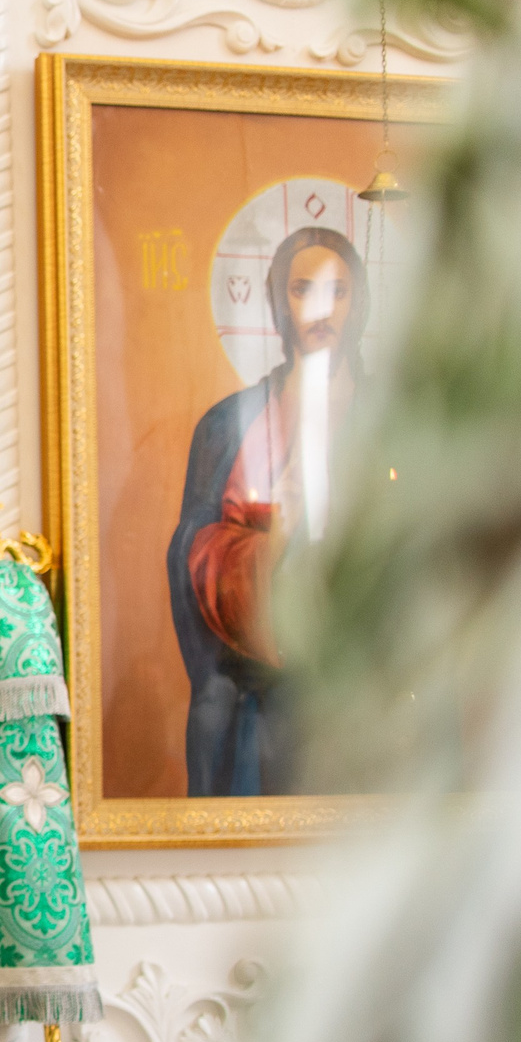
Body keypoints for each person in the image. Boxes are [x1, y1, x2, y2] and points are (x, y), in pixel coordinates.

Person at [167, 224, 369, 796]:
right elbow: (191, 552)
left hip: (363, 695)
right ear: (279, 300)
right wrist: (270, 545)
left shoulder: (394, 422)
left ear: (360, 305)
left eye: (338, 291)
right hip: (258, 697)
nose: (321, 309)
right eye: (303, 289)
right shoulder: (230, 425)